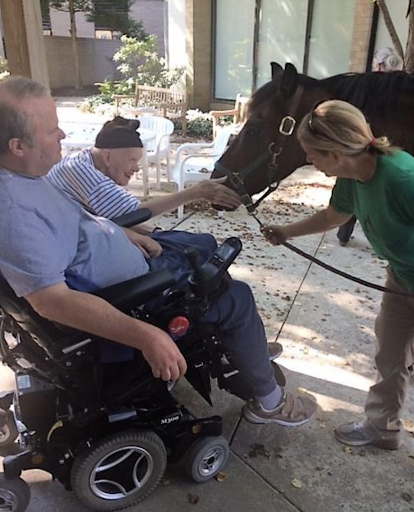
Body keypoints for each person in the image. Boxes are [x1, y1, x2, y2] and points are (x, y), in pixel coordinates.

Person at [0, 76, 316, 427]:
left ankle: (241, 344)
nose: (62, 136)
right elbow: (52, 302)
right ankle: (270, 402)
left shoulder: (27, 176)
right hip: (135, 293)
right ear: (17, 146)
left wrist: (119, 232)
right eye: (51, 130)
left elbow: (77, 222)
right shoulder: (14, 212)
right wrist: (147, 334)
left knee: (206, 245)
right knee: (235, 296)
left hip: (130, 257)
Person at [262, 99, 414, 449]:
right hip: (402, 278)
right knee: (389, 356)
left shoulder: (402, 178)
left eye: (312, 154)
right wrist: (286, 232)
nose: (309, 161)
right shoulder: (350, 177)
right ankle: (383, 429)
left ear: (335, 153)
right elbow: (334, 217)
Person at [47, 115, 241, 230]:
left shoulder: (83, 161)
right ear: (107, 157)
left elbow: (116, 218)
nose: (136, 168)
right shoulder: (84, 174)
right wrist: (196, 192)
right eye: (131, 160)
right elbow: (135, 212)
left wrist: (153, 233)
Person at [336, 46, 403, 246]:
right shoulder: (397, 85)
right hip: (384, 147)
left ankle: (345, 232)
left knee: (357, 184)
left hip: (365, 146)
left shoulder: (373, 86)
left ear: (379, 63)